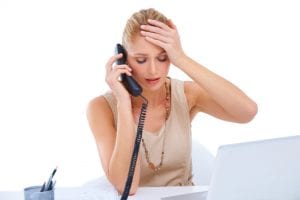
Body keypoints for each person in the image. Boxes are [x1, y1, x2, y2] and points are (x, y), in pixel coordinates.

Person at [86, 8, 257, 195]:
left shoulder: (185, 94)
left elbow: (247, 111)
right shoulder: (100, 108)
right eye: (141, 60)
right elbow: (127, 186)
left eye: (162, 58)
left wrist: (181, 58)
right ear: (123, 59)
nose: (153, 70)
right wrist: (124, 104)